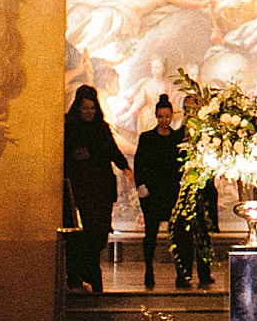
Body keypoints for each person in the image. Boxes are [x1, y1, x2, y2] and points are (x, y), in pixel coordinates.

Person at [62, 87, 130, 294]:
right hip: (80, 189)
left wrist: (125, 167)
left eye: (92, 108)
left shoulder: (101, 128)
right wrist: (75, 156)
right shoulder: (70, 127)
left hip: (101, 189)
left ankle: (89, 270)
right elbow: (64, 155)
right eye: (85, 108)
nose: (89, 112)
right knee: (85, 232)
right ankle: (88, 272)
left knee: (99, 233)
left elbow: (112, 150)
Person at [131, 93, 184, 290]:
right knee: (151, 232)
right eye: (161, 116)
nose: (164, 120)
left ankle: (180, 271)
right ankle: (149, 270)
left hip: (171, 191)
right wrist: (141, 186)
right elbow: (139, 164)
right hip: (152, 193)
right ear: (156, 116)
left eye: (167, 116)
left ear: (172, 116)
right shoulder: (147, 138)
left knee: (176, 234)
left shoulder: (177, 139)